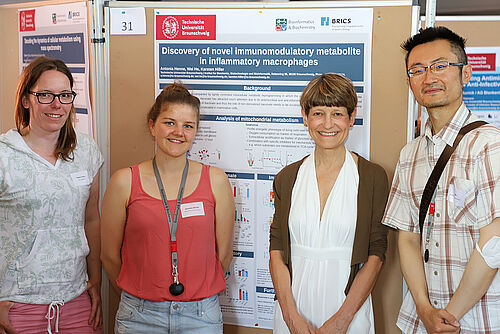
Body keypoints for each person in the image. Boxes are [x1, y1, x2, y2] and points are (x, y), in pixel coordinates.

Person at [383, 26, 500, 334]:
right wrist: (424, 309)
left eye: (440, 66)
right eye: (417, 70)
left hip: (478, 319)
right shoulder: (410, 154)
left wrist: (448, 316)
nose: (429, 77)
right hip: (422, 321)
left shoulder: (490, 145)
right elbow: (407, 237)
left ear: (466, 73)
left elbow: (495, 241)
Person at [100, 82, 234, 333]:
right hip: (140, 317)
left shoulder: (216, 180)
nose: (179, 132)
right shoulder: (124, 182)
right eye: (169, 122)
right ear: (152, 125)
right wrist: (142, 295)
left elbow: (223, 255)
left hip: (201, 316)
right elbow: (108, 256)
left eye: (188, 126)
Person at [269, 73, 389, 334]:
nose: (327, 123)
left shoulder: (372, 177)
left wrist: (341, 321)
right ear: (305, 117)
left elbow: (376, 254)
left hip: (348, 311)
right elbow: (276, 248)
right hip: (294, 310)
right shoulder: (287, 177)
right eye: (318, 113)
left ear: (351, 117)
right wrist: (291, 318)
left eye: (337, 113)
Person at [0, 57, 103, 334]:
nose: (57, 104)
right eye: (45, 95)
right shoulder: (4, 155)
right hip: (17, 304)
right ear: (26, 100)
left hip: (77, 302)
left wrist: (96, 282)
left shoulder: (86, 152)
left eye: (65, 95)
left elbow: (91, 219)